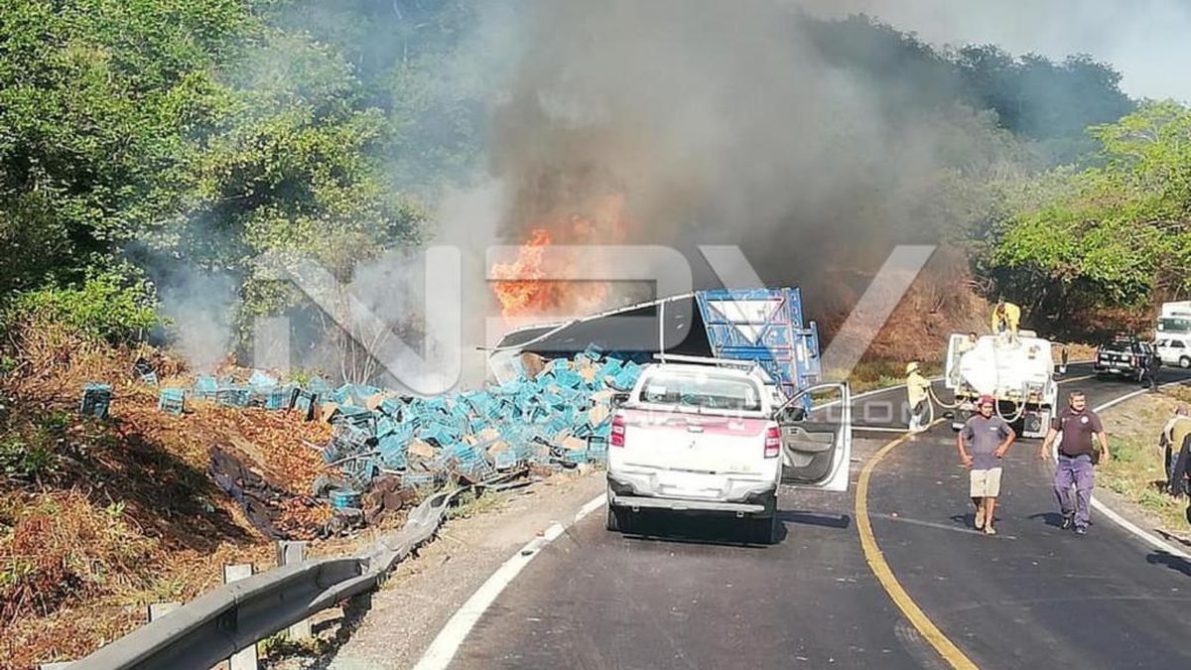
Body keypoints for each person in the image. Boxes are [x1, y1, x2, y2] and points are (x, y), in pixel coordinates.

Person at [1038, 390, 1110, 535]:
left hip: (1083, 460)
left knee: (1083, 491)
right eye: (1077, 401)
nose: (1080, 404)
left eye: (1082, 401)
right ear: (1070, 401)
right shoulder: (1064, 415)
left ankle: (1081, 521)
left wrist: (1105, 450)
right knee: (1060, 487)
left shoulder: (1090, 416)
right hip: (1065, 459)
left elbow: (1100, 433)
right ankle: (1067, 512)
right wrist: (1045, 446)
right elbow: (1054, 430)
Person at [957, 395, 1017, 535]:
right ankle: (980, 508)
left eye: (990, 407)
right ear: (979, 408)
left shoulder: (998, 422)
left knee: (991, 494)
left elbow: (1011, 434)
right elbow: (961, 436)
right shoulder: (972, 422)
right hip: (978, 463)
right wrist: (964, 455)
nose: (988, 410)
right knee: (976, 493)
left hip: (994, 463)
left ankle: (988, 523)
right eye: (985, 407)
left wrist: (1004, 447)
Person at [1160, 404, 1191, 497]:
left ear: (1177, 412)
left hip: (1177, 448)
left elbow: (1166, 430)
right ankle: (1184, 491)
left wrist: (1168, 441)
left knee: (1175, 469)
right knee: (1186, 472)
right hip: (1188, 451)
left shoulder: (1174, 421)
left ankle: (1174, 490)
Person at [905, 361, 932, 433]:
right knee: (917, 412)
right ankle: (913, 425)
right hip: (918, 397)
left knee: (917, 411)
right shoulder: (916, 378)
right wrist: (928, 382)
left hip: (914, 398)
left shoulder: (909, 378)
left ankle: (917, 425)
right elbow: (926, 383)